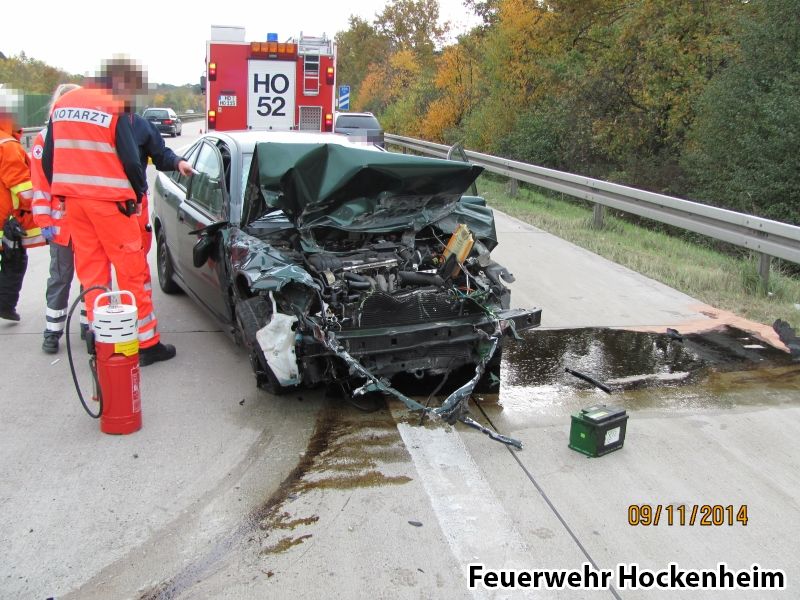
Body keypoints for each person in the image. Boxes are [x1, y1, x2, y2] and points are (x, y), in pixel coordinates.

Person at [42, 57, 175, 365]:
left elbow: (49, 158)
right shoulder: (112, 106)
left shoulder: (62, 105)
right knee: (131, 272)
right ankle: (147, 343)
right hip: (111, 204)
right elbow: (130, 159)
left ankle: (102, 342)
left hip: (75, 203)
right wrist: (137, 193)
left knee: (92, 273)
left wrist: (62, 193)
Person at [30, 83, 84, 350]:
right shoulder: (44, 139)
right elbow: (40, 185)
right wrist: (44, 221)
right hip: (61, 225)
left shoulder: (86, 136)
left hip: (86, 221)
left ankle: (91, 327)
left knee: (92, 278)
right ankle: (52, 332)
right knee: (60, 278)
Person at [0, 87, 46, 321]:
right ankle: (5, 305)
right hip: (6, 220)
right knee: (14, 261)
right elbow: (23, 188)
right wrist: (43, 204)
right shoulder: (7, 146)